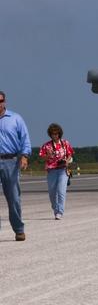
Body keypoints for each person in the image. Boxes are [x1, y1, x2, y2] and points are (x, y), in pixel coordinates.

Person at [0, 90, 31, 241]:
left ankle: (19, 229)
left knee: (13, 198)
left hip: (11, 161)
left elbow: (25, 139)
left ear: (4, 101)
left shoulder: (15, 118)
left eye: (0, 101)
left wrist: (24, 156)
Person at [38, 124, 74, 219]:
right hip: (51, 171)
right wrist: (48, 156)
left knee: (61, 191)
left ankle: (60, 212)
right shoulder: (47, 145)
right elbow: (41, 157)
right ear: (50, 134)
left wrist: (67, 161)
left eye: (56, 134)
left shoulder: (65, 143)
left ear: (59, 134)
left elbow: (70, 153)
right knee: (52, 192)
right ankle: (55, 208)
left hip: (63, 170)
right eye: (53, 134)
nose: (55, 135)